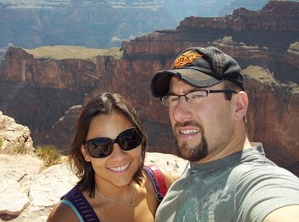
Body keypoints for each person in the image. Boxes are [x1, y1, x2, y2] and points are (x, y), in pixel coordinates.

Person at [150, 46, 299, 222]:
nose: (178, 114)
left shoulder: (257, 184)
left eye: (197, 95)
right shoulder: (187, 178)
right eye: (173, 99)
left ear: (238, 106)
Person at [47, 92, 174, 222]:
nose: (118, 156)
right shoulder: (67, 217)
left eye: (128, 139)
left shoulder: (161, 185)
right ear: (85, 153)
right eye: (101, 146)